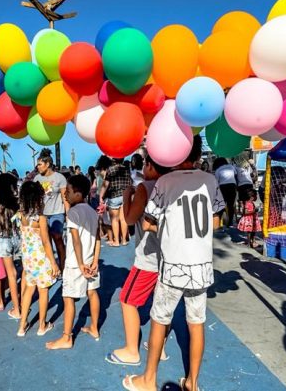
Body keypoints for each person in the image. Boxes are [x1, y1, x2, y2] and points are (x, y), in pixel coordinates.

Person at [124, 135, 225, 391]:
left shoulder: (166, 182)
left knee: (159, 318)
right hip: (201, 265)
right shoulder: (210, 180)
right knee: (196, 321)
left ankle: (148, 379)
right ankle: (192, 382)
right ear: (198, 156)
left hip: (174, 264)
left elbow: (148, 222)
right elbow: (216, 222)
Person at [108, 155, 171, 366]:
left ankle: (131, 350)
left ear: (152, 166)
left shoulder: (146, 187)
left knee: (127, 299)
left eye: (146, 164)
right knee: (162, 305)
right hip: (169, 257)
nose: (144, 167)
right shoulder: (173, 185)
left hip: (149, 258)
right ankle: (159, 347)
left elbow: (130, 219)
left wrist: (127, 196)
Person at [46, 175, 101, 350]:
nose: (65, 194)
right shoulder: (92, 212)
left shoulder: (73, 213)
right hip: (90, 261)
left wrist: (79, 264)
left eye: (68, 191)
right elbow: (98, 238)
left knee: (68, 298)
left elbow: (75, 240)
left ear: (78, 193)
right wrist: (95, 260)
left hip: (75, 263)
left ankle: (66, 337)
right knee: (92, 293)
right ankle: (94, 328)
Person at [16, 181, 60, 337]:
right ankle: (42, 325)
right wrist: (54, 263)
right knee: (43, 291)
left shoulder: (21, 215)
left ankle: (22, 326)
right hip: (41, 257)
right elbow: (46, 241)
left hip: (27, 258)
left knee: (28, 289)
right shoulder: (40, 218)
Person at [0, 173, 23, 320]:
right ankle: (24, 298)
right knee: (24, 271)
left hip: (3, 238)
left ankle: (17, 308)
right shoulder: (17, 202)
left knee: (11, 274)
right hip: (18, 236)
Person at [34, 149, 69, 270]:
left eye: (39, 164)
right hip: (42, 215)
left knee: (58, 239)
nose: (37, 166)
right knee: (46, 242)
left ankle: (63, 267)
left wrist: (68, 214)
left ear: (47, 164)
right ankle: (51, 268)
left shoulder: (60, 178)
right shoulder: (37, 179)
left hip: (57, 213)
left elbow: (65, 197)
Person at [100, 157, 132, 246]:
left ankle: (116, 241)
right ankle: (124, 240)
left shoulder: (110, 169)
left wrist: (101, 196)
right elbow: (130, 182)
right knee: (123, 219)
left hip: (114, 196)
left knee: (114, 219)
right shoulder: (126, 169)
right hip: (124, 195)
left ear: (114, 160)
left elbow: (105, 184)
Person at [213, 157, 237, 227]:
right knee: (231, 205)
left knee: (222, 204)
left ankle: (219, 222)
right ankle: (230, 222)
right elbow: (235, 175)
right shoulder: (231, 167)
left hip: (222, 187)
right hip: (232, 186)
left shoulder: (218, 170)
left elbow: (216, 182)